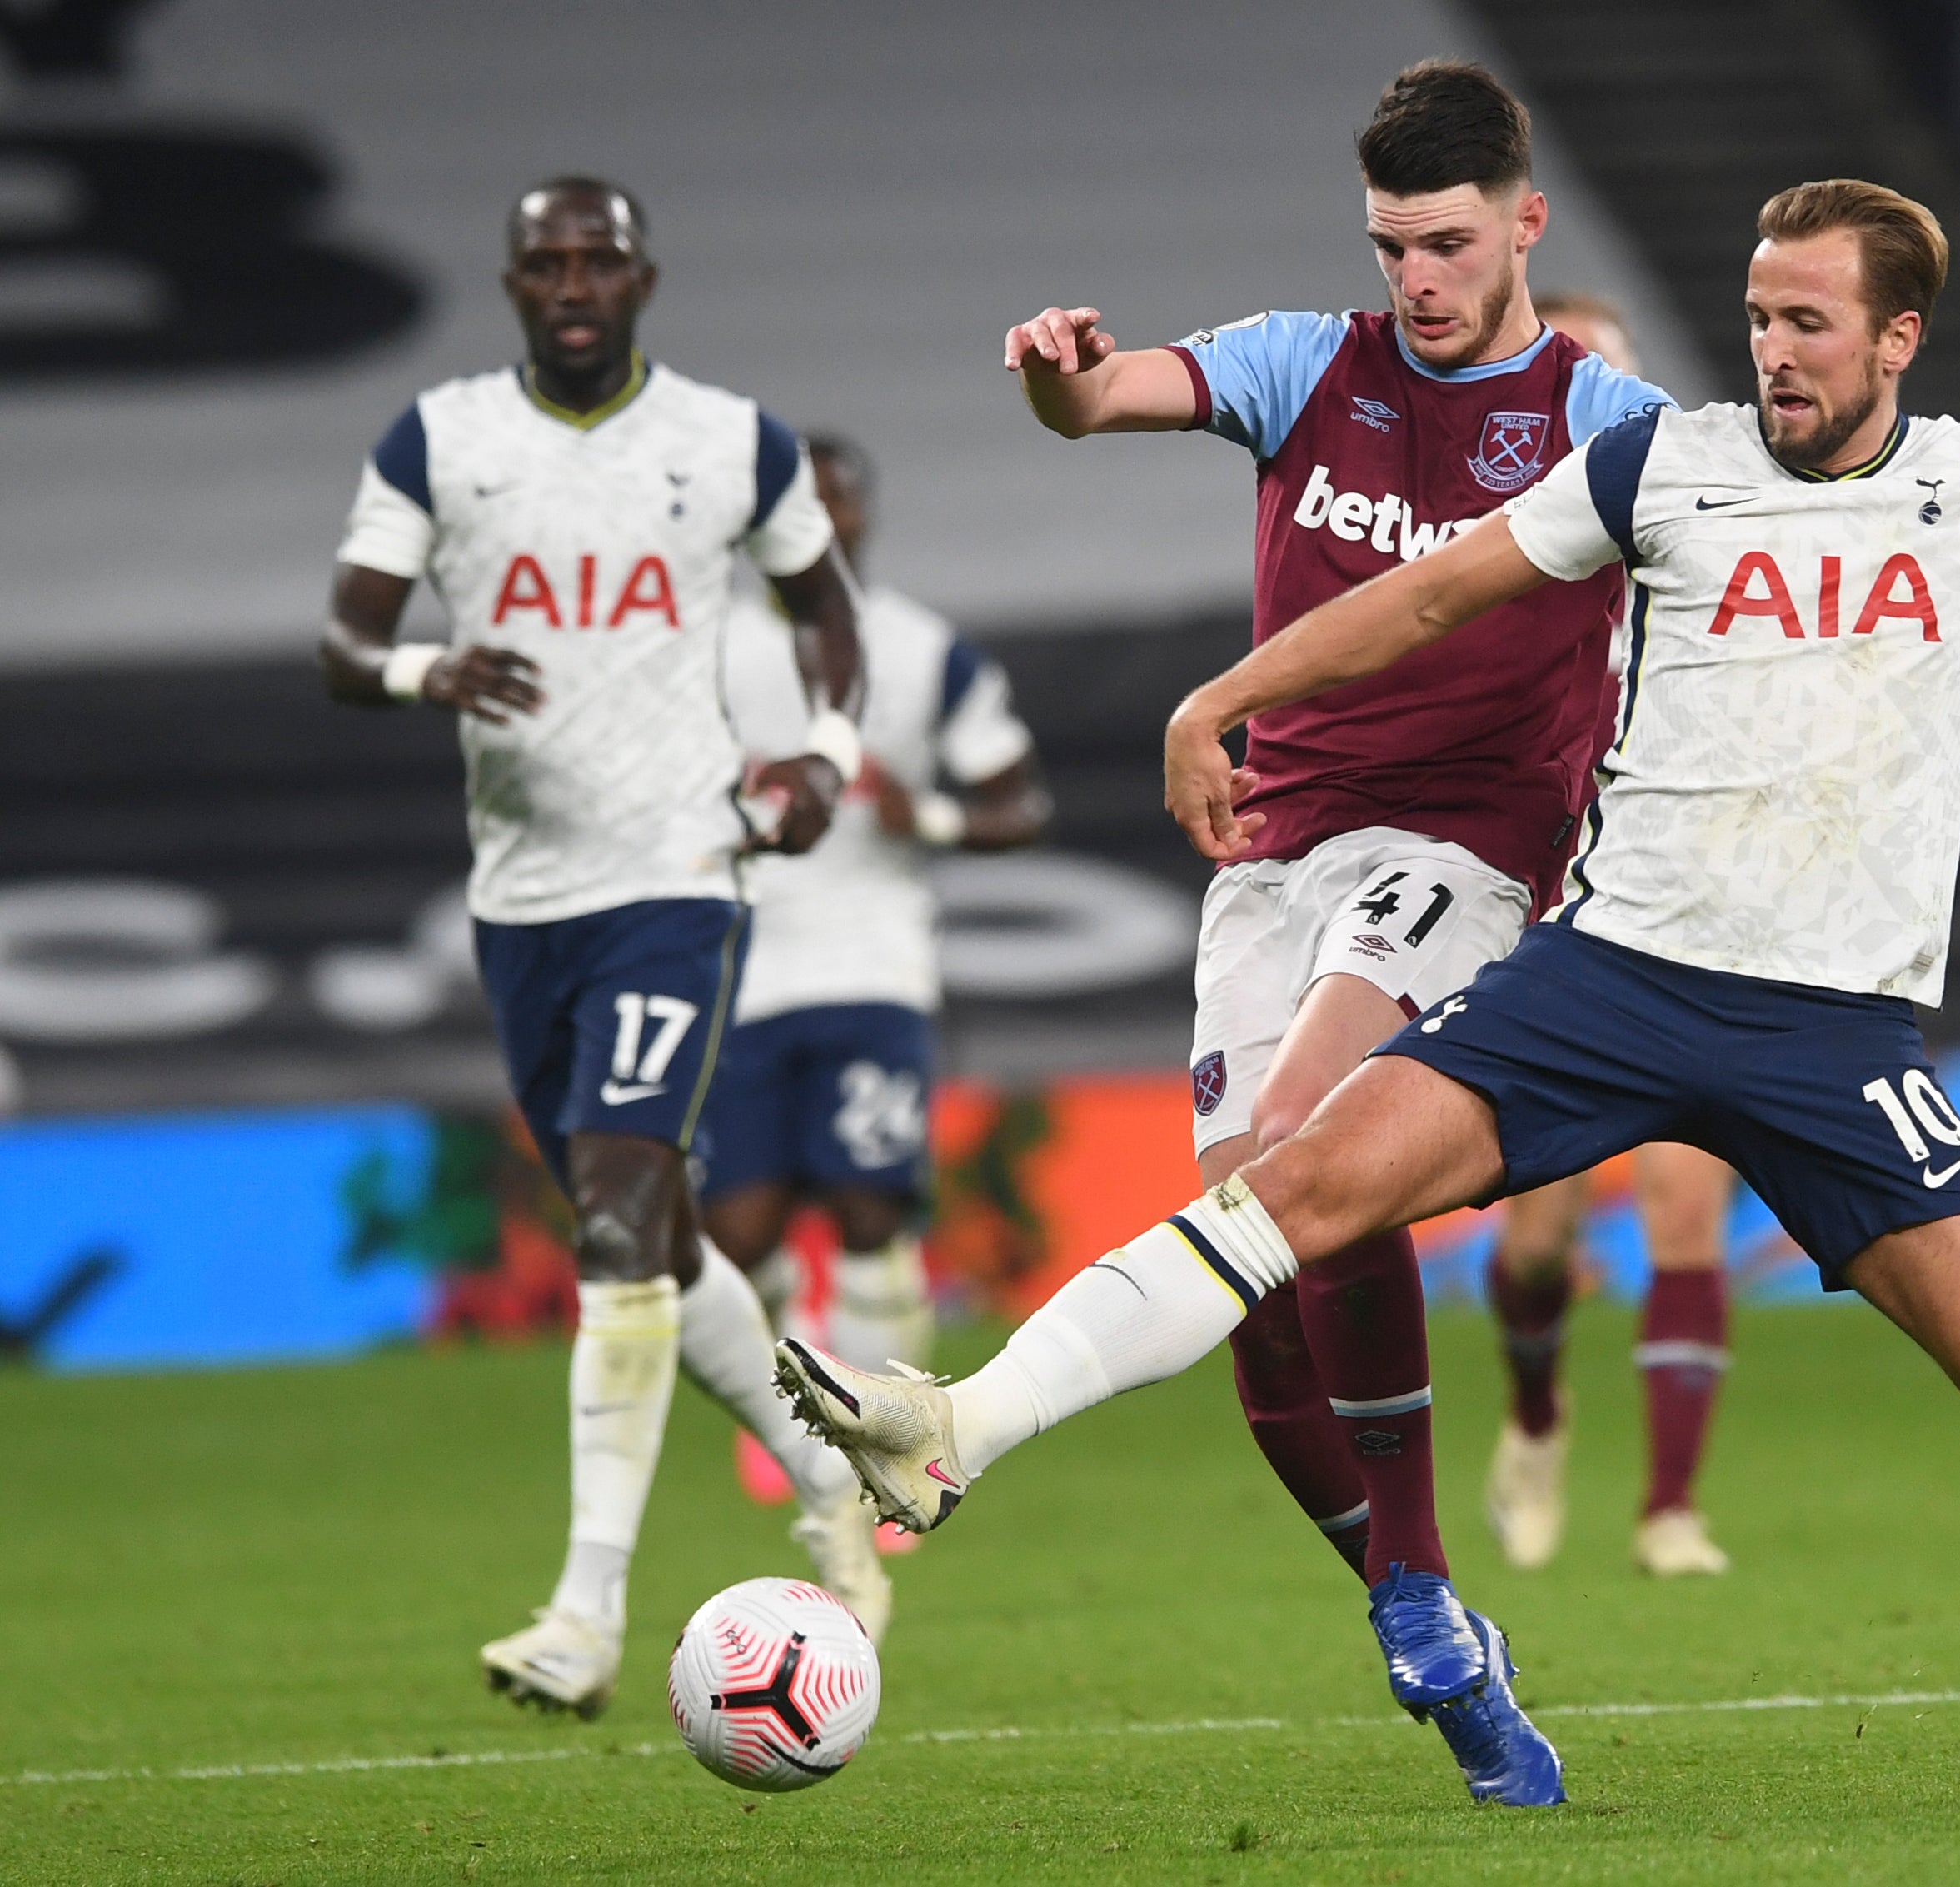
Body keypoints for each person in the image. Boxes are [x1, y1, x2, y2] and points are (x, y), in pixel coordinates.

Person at [783, 175, 1960, 1787]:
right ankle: (958, 1421)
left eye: (1808, 324)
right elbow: (1436, 589)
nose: (1772, 351)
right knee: (1290, 1190)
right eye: (1760, 317)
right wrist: (1226, 689)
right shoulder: (1661, 463)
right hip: (1609, 978)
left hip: (1829, 1029)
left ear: (1901, 337)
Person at [984, 62, 1668, 1805]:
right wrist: (1066, 382)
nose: (1416, 283)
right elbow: (1122, 394)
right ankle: (1422, 1611)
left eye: (1445, 244)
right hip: (1275, 849)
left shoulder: (1608, 413)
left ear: (1523, 222)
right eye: (1389, 248)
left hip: (1467, 842)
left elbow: (1725, 574)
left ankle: (1422, 1574)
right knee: (1253, 1266)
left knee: (1296, 1144)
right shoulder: (1310, 359)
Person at [322, 177, 890, 1719]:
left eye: (599, 259)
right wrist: (428, 664)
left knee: (622, 1220)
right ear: (510, 283)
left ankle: (584, 1613)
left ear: (644, 280)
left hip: (676, 876)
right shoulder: (439, 441)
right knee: (654, 1235)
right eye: (546, 261)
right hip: (521, 901)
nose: (573, 282)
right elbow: (342, 638)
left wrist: (826, 754)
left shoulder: (729, 441)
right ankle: (836, 1467)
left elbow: (824, 605)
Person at [700, 430, 1049, 1529]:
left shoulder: (919, 650)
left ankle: (882, 1443)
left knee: (866, 1204)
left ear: (862, 517)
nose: (820, 521)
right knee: (736, 1232)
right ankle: (788, 1413)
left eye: (836, 502)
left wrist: (932, 814)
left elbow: (1018, 798)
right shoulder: (697, 655)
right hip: (745, 968)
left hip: (874, 963)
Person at [1484, 292, 1741, 1580]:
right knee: (1534, 1244)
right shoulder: (1500, 566)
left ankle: (1668, 1509)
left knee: (1683, 1203)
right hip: (1541, 904)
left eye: (1622, 385)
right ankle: (1535, 1416)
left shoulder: (1699, 547)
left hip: (1682, 904)